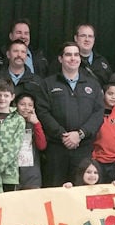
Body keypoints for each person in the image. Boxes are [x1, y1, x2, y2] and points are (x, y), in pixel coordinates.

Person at [36, 42, 104, 187]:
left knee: (81, 192)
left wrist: (80, 134)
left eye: (76, 55)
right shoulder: (48, 84)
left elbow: (98, 114)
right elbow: (43, 112)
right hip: (56, 149)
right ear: (60, 59)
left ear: (80, 58)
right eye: (68, 54)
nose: (73, 58)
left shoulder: (93, 84)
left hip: (83, 149)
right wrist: (62, 135)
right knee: (54, 192)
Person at [0, 39, 46, 110]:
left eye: (23, 52)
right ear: (8, 54)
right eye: (15, 51)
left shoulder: (37, 82)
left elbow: (42, 110)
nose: (19, 55)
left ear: (26, 56)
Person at [15, 93, 47, 189]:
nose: (26, 108)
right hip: (13, 172)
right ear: (15, 105)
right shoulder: (10, 123)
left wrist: (36, 123)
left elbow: (42, 146)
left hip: (31, 173)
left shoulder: (35, 124)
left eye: (30, 105)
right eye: (22, 104)